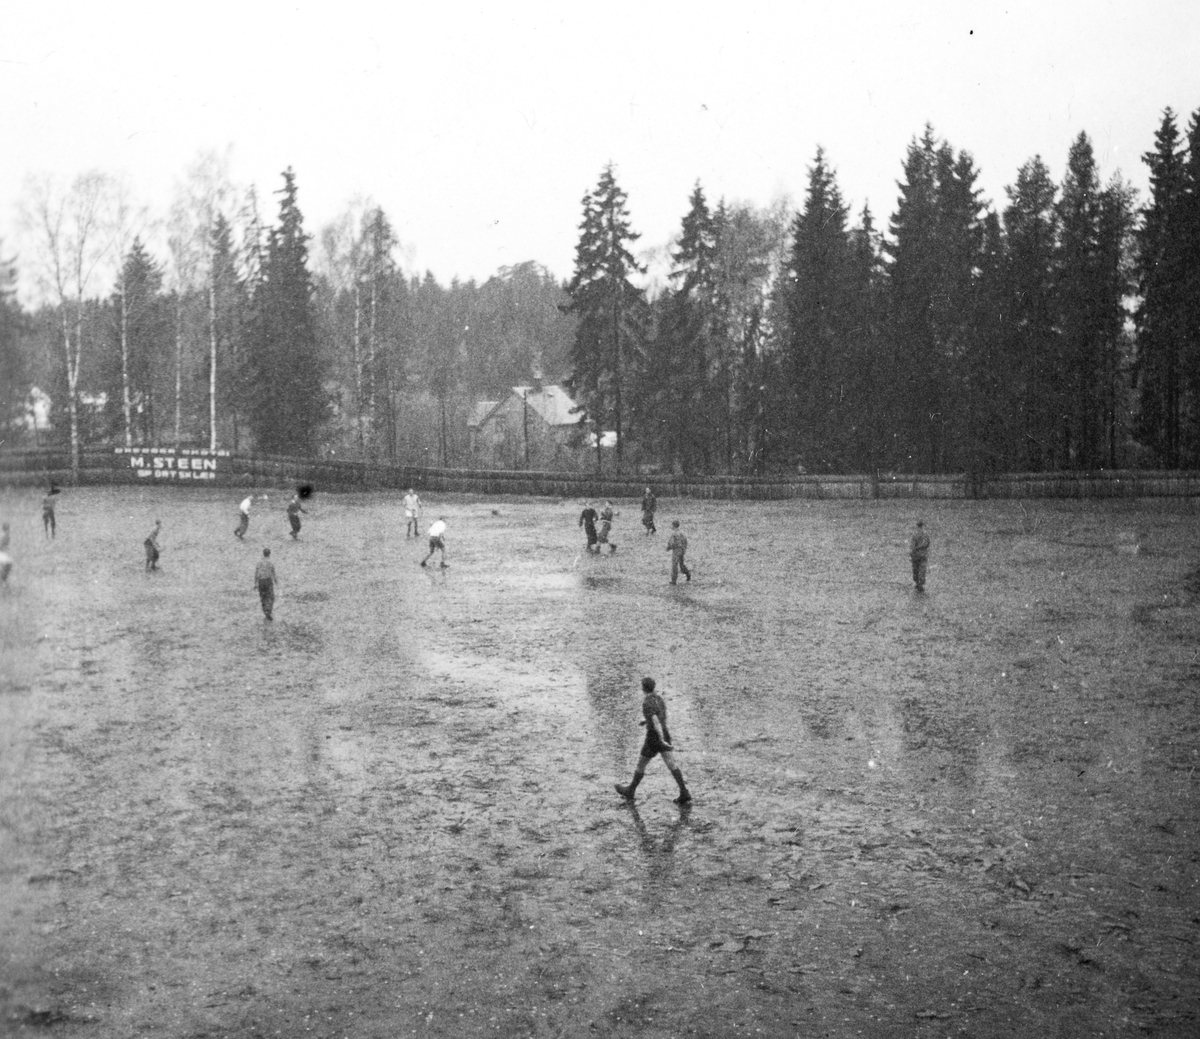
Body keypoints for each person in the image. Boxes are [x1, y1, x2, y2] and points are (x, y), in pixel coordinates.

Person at [615, 677, 692, 805]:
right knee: (672, 764)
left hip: (654, 737)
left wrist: (660, 739)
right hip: (665, 733)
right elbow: (658, 716)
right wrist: (646, 721)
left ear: (643, 688)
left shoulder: (646, 702)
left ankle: (630, 791)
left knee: (641, 764)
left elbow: (655, 720)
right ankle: (684, 791)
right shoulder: (659, 699)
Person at [254, 548, 278, 621]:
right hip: (268, 581)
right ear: (269, 554)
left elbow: (256, 574)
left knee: (263, 596)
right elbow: (273, 573)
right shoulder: (270, 562)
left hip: (260, 581)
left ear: (263, 554)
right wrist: (276, 582)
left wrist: (255, 583)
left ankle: (265, 611)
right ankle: (269, 611)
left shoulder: (259, 562)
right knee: (270, 597)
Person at [666, 520, 691, 584]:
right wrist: (684, 549)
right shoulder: (682, 533)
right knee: (681, 564)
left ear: (673, 526)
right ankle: (688, 574)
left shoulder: (674, 534)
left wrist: (668, 548)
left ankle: (673, 580)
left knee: (674, 565)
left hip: (676, 551)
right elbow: (685, 541)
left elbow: (671, 543)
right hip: (682, 550)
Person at [910, 519, 930, 592]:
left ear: (917, 526)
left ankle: (917, 583)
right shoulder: (926, 534)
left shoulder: (915, 535)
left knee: (916, 569)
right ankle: (920, 583)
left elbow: (912, 546)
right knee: (922, 569)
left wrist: (912, 552)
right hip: (923, 554)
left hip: (916, 555)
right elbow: (928, 544)